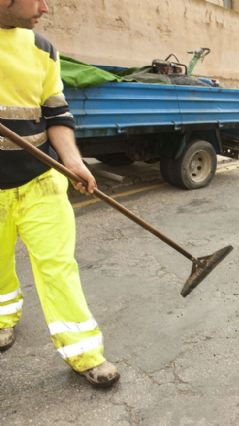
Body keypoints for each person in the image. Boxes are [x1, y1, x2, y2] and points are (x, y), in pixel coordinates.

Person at [0, 0, 119, 387]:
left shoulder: (42, 48)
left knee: (59, 267)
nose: (45, 7)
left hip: (39, 178)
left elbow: (56, 113)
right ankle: (2, 319)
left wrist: (73, 161)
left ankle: (85, 353)